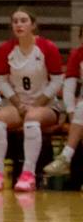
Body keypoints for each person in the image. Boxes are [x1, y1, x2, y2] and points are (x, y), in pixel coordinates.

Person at [0, 9, 64, 192]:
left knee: (32, 119)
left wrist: (37, 104)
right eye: (15, 21)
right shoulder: (7, 49)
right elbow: (2, 81)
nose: (19, 25)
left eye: (23, 20)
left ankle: (28, 174)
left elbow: (57, 80)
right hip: (18, 104)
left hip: (46, 105)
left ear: (33, 25)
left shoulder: (47, 47)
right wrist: (17, 103)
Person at [42, 31, 83, 181]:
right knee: (81, 108)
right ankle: (65, 160)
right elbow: (69, 89)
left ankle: (65, 157)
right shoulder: (78, 55)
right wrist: (72, 113)